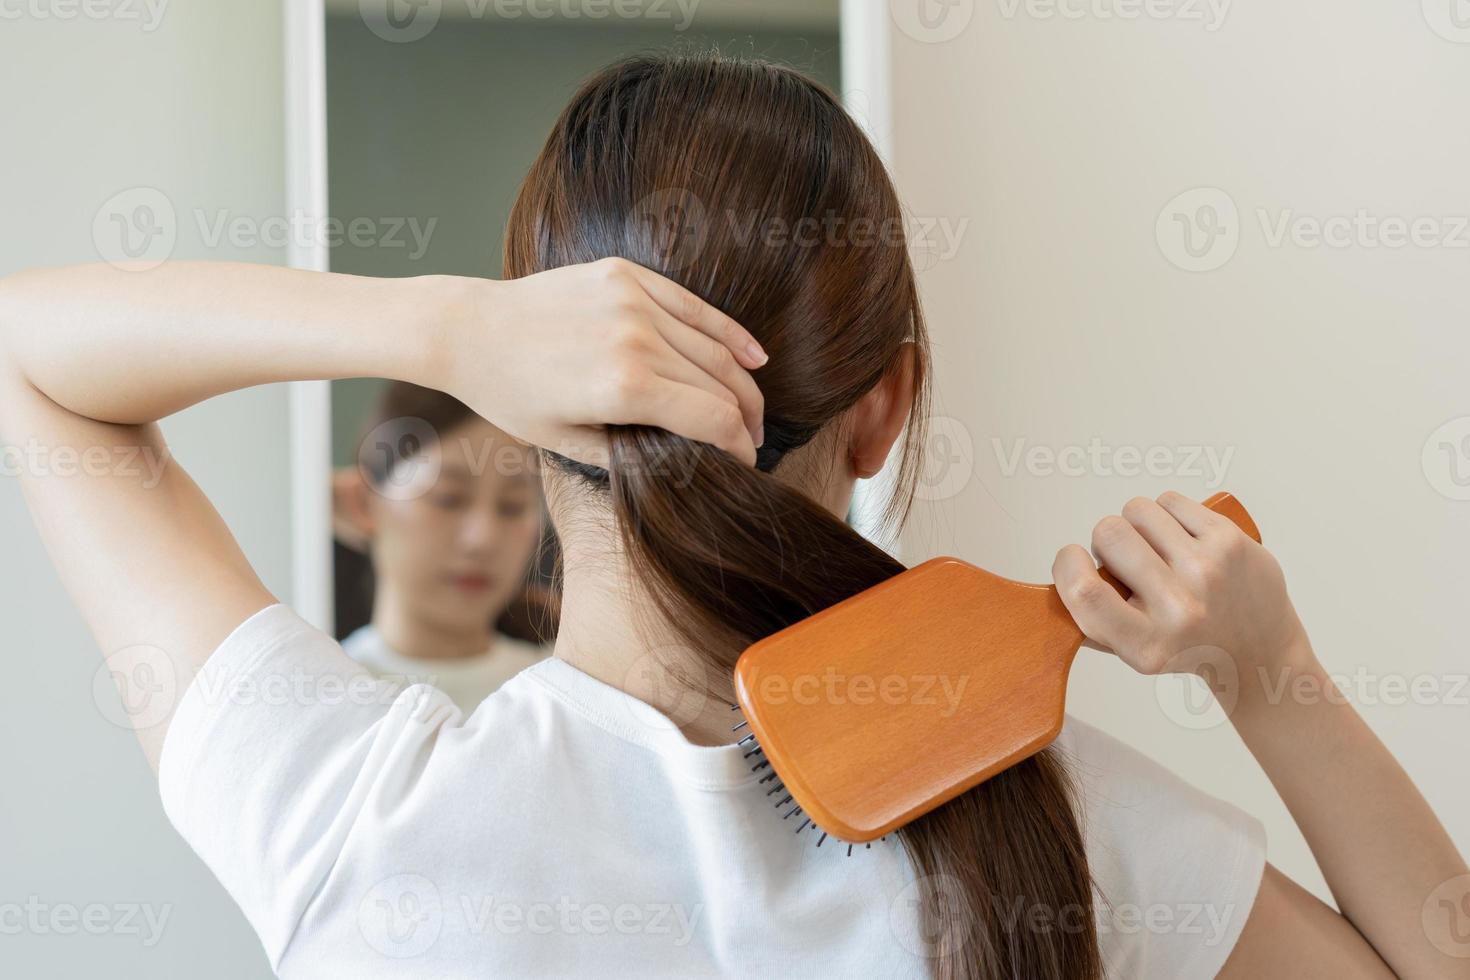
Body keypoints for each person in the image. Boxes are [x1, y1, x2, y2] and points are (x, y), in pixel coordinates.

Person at [1, 54, 1464, 980]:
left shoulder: (344, 813)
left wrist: (446, 329)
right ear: (884, 408)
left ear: (526, 405)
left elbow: (31, 356)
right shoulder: (1067, 836)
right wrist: (1269, 676)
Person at [332, 381, 551, 712]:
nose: (482, 538)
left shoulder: (560, 693)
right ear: (363, 503)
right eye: (447, 498)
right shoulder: (324, 691)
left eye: (513, 506)